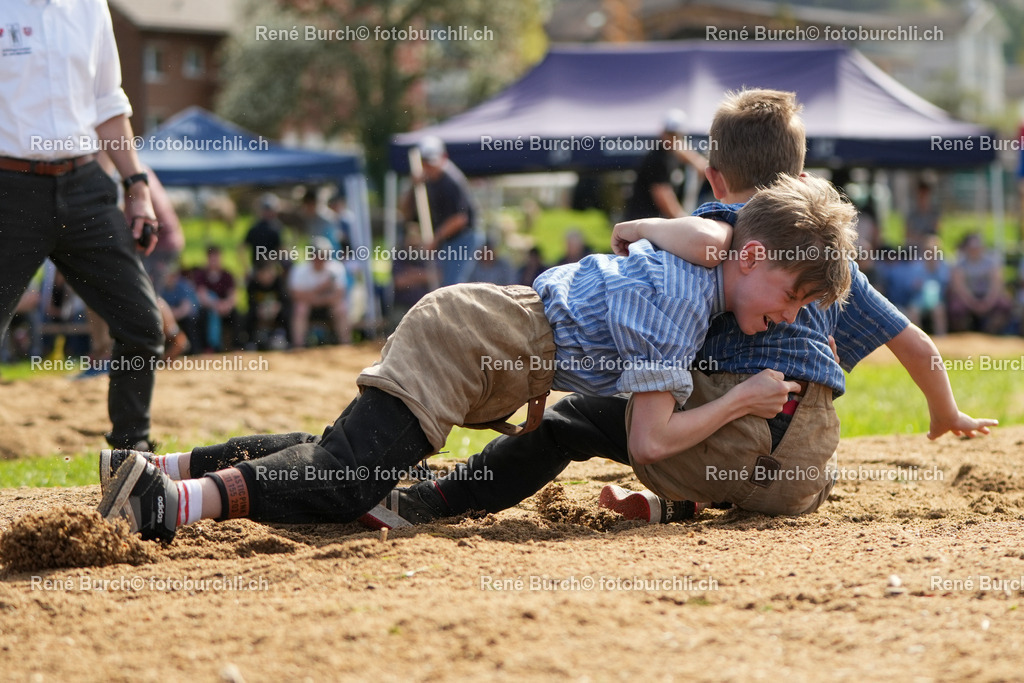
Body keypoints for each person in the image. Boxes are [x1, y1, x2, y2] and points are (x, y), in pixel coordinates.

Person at [99, 170, 860, 542]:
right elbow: (650, 441)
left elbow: (625, 241)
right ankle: (170, 504)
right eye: (791, 298)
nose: (785, 319)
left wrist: (537, 377)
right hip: (477, 342)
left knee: (349, 453)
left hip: (489, 329)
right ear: (752, 252)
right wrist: (742, 401)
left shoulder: (698, 259)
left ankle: (164, 468)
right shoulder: (684, 302)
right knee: (346, 481)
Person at [370, 89, 992, 527]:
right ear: (800, 178)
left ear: (715, 180)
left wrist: (640, 226)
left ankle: (443, 497)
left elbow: (693, 249)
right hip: (804, 466)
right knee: (715, 426)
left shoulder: (723, 237)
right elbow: (915, 343)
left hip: (730, 433)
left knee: (579, 422)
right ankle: (682, 504)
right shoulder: (827, 263)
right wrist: (946, 411)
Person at [0, 0, 163, 451]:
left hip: (85, 185)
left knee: (142, 324)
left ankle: (132, 459)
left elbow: (108, 102)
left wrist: (137, 186)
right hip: (9, 188)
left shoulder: (90, 5)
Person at [401, 136, 481, 286]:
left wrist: (435, 239)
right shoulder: (425, 182)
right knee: (443, 282)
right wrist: (412, 186)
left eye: (431, 163)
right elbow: (405, 212)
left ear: (443, 158)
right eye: (426, 163)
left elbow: (460, 218)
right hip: (447, 240)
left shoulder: (451, 180)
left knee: (452, 284)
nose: (429, 167)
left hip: (463, 238)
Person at [623, 108, 709, 221]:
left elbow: (701, 166)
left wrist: (696, 163)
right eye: (669, 134)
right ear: (662, 132)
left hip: (657, 222)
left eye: (675, 135)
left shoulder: (675, 151)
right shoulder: (657, 158)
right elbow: (663, 197)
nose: (671, 138)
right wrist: (685, 221)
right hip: (645, 221)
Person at [287, 238, 350, 348]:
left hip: (327, 306)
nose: (319, 258)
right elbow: (296, 295)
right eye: (316, 254)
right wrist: (322, 290)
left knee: (340, 308)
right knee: (300, 308)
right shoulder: (300, 270)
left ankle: (345, 343)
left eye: (323, 255)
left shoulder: (336, 268)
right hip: (310, 306)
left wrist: (314, 297)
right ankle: (298, 345)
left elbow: (339, 294)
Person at [947, 232, 1012, 334]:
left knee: (1004, 304)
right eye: (972, 247)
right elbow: (960, 289)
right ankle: (965, 335)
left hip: (988, 296)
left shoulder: (991, 262)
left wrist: (987, 302)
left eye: (977, 247)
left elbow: (996, 285)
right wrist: (973, 303)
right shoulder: (959, 264)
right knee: (956, 307)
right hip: (968, 297)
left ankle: (990, 333)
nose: (974, 250)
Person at [192, 246, 239, 352]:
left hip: (223, 306)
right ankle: (210, 345)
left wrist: (227, 304)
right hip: (208, 306)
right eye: (212, 258)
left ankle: (237, 345)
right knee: (205, 313)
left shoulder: (227, 275)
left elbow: (233, 295)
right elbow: (202, 295)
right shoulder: (201, 274)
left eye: (216, 258)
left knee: (236, 313)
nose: (214, 261)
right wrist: (216, 305)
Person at [246, 261, 290, 351]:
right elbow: (251, 302)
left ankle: (287, 339)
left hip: (276, 312)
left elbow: (285, 301)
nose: (270, 276)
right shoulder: (253, 284)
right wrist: (259, 308)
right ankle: (250, 341)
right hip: (259, 311)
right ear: (259, 274)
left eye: (271, 272)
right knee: (248, 315)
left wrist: (277, 307)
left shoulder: (279, 282)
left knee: (287, 313)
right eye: (266, 273)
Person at [242, 194, 286, 272]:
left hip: (268, 269)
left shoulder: (255, 227)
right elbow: (282, 250)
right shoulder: (274, 228)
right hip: (261, 269)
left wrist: (246, 267)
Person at [904, 179, 941, 248]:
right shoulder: (911, 215)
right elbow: (907, 235)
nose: (923, 199)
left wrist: (920, 237)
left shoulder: (934, 215)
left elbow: (936, 236)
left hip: (929, 251)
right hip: (913, 250)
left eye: (925, 196)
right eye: (921, 196)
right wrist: (923, 238)